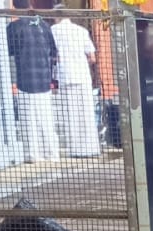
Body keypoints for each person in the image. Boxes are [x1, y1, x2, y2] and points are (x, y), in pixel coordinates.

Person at [6, 0, 58, 163]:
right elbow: (54, 52)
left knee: (28, 120)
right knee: (47, 120)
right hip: (44, 79)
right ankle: (52, 153)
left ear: (14, 7)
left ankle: (33, 154)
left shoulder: (14, 27)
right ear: (30, 5)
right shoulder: (43, 25)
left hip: (25, 79)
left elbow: (9, 52)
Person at [51, 9, 101, 158]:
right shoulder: (81, 30)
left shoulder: (53, 31)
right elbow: (92, 58)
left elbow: (53, 56)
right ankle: (91, 148)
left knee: (70, 114)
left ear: (56, 17)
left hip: (66, 77)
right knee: (87, 114)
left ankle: (75, 150)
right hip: (83, 76)